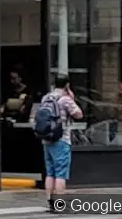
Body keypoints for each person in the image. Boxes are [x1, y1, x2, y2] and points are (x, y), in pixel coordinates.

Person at [32, 75, 83, 212]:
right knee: (60, 174)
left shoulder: (46, 98)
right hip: (61, 139)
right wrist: (71, 98)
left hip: (47, 139)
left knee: (50, 172)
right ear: (67, 85)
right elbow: (79, 114)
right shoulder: (65, 99)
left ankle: (50, 202)